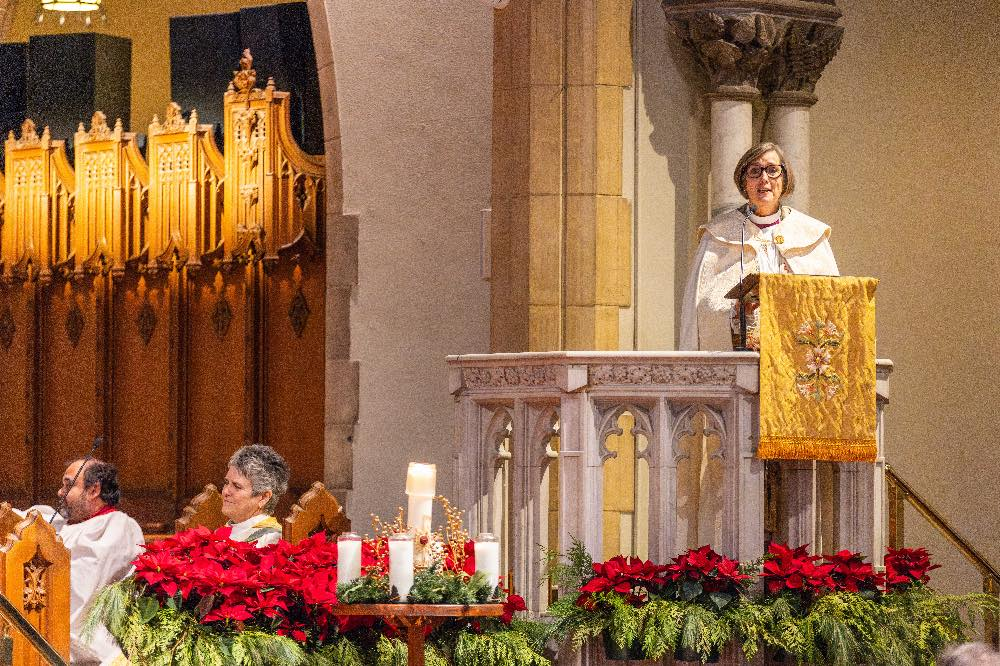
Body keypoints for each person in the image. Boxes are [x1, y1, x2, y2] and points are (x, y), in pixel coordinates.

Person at [679, 142, 840, 351]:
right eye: (755, 171)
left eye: (773, 170)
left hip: (794, 356)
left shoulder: (811, 235)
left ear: (784, 178)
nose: (764, 179)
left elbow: (832, 305)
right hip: (738, 361)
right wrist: (735, 311)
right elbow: (699, 310)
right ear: (744, 182)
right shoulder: (717, 236)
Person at [18, 459, 145, 665]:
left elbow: (83, 590)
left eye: (68, 485)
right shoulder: (65, 525)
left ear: (94, 490)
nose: (60, 492)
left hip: (90, 652)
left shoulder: (118, 527)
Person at [221, 444, 290, 547]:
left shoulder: (271, 540)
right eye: (227, 482)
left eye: (237, 486)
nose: (225, 491)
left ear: (264, 497)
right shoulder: (224, 530)